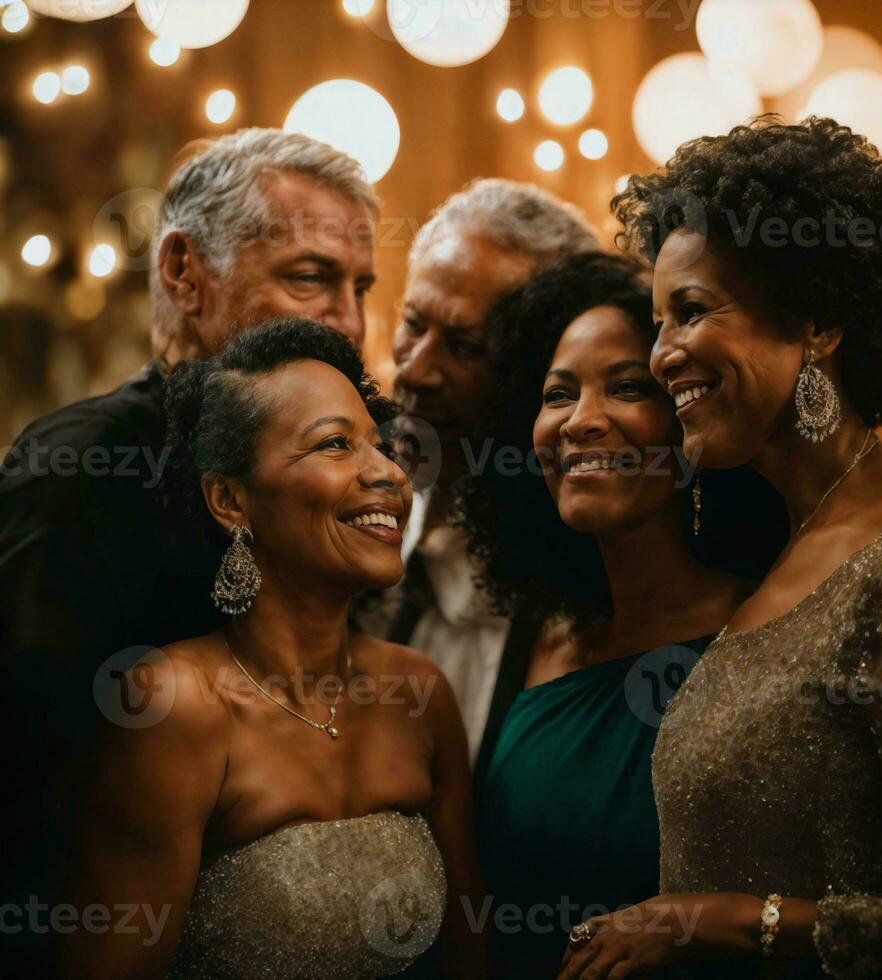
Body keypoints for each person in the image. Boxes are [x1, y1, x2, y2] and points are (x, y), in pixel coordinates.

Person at [557, 117, 882, 978]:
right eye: (657, 320)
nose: (664, 353)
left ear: (818, 322)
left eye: (693, 311)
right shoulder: (793, 542)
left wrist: (727, 922)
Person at [0, 128, 379, 975]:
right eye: (311, 277)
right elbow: (28, 777)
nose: (349, 322)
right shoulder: (85, 467)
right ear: (183, 272)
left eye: (362, 287)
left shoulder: (322, 477)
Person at [57, 318, 486, 980]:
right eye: (336, 445)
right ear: (230, 499)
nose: (387, 474)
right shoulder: (174, 706)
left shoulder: (419, 692)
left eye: (382, 445)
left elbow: (470, 957)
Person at [453, 251, 786, 978]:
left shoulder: (765, 632)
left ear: (692, 418)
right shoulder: (538, 635)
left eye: (629, 388)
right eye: (557, 394)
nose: (582, 422)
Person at [360, 178, 599, 776]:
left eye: (464, 347)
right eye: (413, 323)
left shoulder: (582, 586)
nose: (415, 370)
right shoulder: (347, 520)